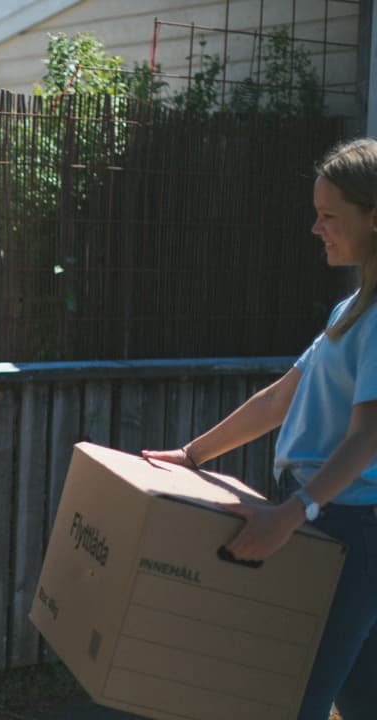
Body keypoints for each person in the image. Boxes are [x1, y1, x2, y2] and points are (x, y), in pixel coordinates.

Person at [142, 137, 377, 720]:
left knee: (287, 697)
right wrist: (192, 455)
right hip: (334, 521)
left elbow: (369, 436)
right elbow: (278, 399)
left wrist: (294, 514)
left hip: (353, 530)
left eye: (329, 217)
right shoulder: (349, 312)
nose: (316, 228)